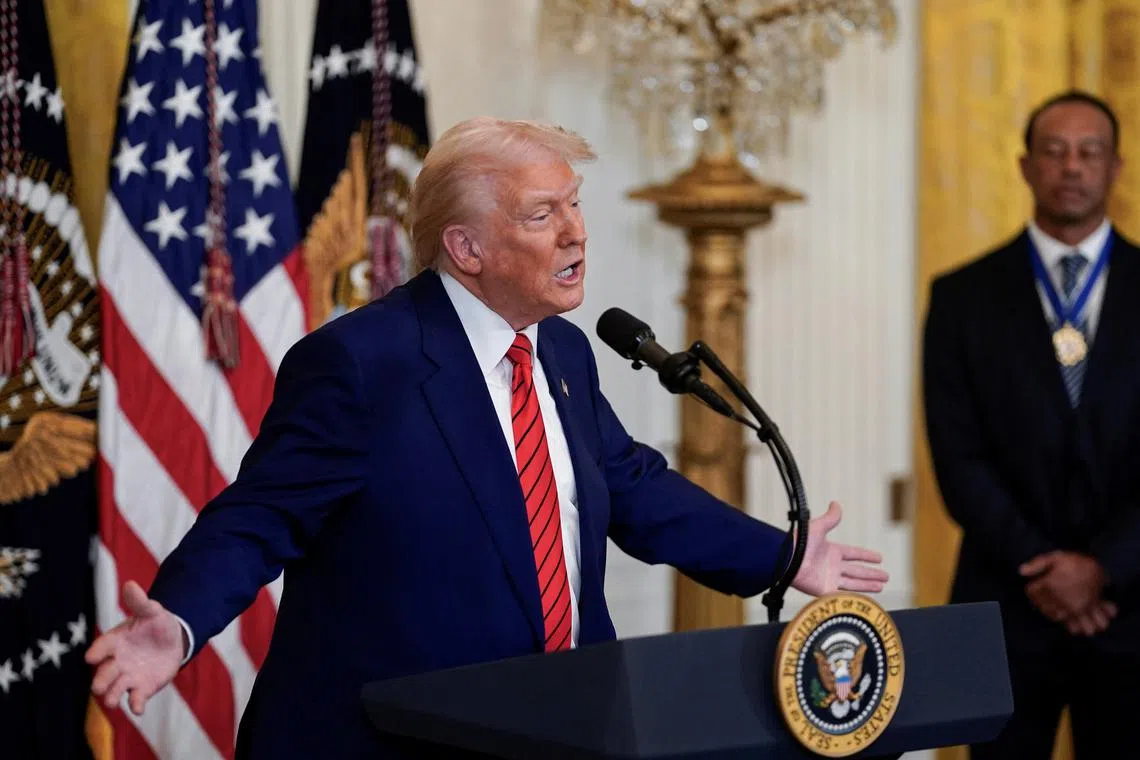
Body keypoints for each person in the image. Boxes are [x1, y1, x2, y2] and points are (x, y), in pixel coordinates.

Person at [87, 117, 889, 759]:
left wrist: (785, 557)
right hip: (391, 738)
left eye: (575, 204)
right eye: (544, 214)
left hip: (558, 725)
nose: (576, 233)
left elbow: (633, 488)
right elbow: (260, 516)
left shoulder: (565, 351)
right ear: (465, 249)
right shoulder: (362, 364)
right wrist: (180, 619)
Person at [923, 90, 1140, 759]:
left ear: (1115, 166)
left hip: (1134, 606)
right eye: (1054, 150)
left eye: (1088, 152)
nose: (1070, 166)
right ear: (1024, 166)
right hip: (1010, 608)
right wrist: (1054, 574)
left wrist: (1103, 569)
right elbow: (959, 460)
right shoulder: (962, 296)